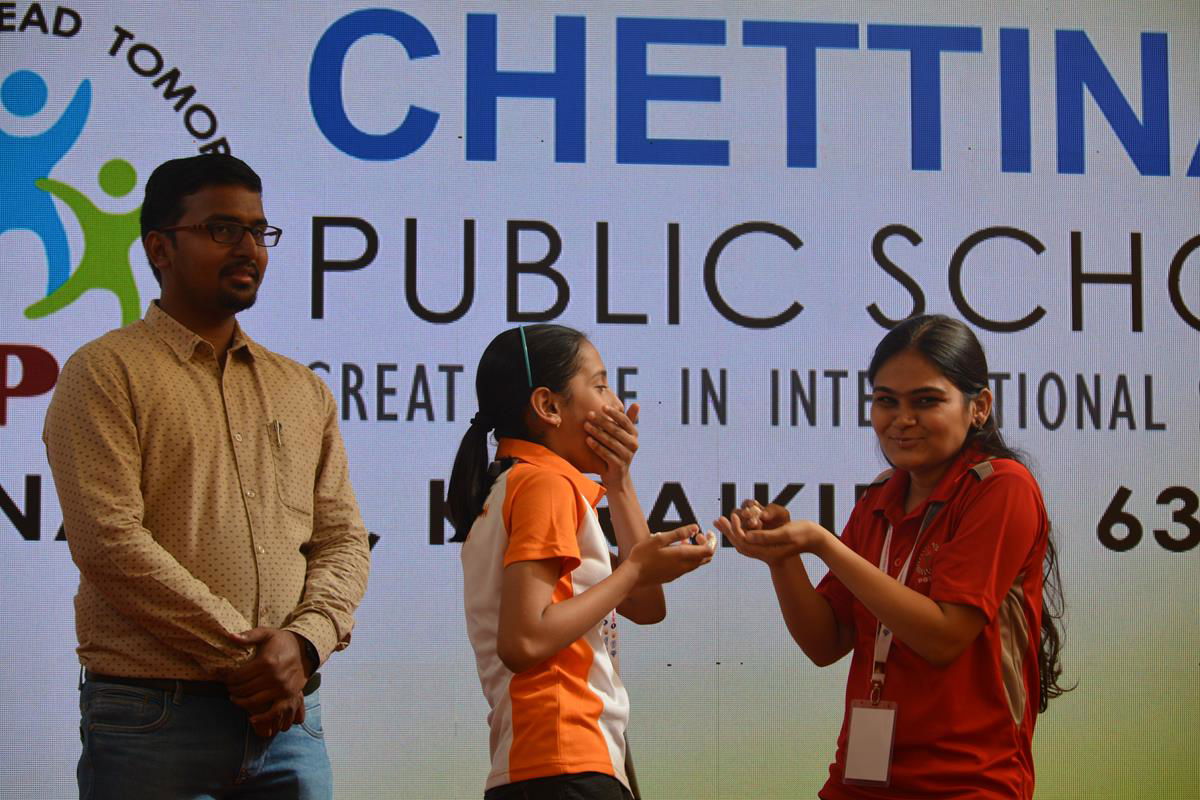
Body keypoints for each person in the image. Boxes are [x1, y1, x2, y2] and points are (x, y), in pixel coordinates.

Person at [42, 154, 371, 800]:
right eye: (222, 229)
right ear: (159, 247)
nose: (249, 248)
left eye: (258, 231)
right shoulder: (105, 373)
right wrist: (254, 661)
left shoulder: (302, 389)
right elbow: (109, 543)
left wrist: (304, 645)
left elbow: (343, 540)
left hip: (292, 722)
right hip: (154, 719)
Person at [716, 314, 1068, 799]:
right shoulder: (880, 496)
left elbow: (943, 637)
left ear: (979, 407)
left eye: (926, 401)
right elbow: (825, 642)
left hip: (968, 783)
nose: (902, 419)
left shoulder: (1002, 487)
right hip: (860, 779)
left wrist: (824, 544)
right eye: (886, 401)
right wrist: (783, 557)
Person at [450, 325, 716, 800]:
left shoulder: (520, 485)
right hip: (563, 762)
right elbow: (524, 640)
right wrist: (635, 569)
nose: (616, 404)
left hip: (554, 764)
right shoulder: (544, 486)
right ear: (548, 406)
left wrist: (620, 481)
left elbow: (646, 605)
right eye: (600, 386)